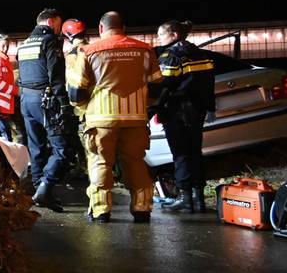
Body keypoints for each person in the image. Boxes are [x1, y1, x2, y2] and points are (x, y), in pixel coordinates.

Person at [71, 12, 162, 223]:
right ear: (124, 27)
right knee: (135, 162)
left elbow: (76, 92)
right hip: (136, 118)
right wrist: (143, 105)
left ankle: (101, 210)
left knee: (101, 162)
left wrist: (84, 108)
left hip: (101, 119)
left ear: (101, 28)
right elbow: (157, 86)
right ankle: (142, 208)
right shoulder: (145, 50)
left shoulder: (89, 51)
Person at [153, 20, 216, 213]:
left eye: (161, 35)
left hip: (176, 111)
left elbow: (165, 85)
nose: (158, 39)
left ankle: (185, 198)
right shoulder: (199, 53)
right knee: (195, 152)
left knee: (180, 154)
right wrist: (210, 107)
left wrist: (156, 108)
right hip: (197, 110)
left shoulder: (171, 55)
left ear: (173, 35)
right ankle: (199, 199)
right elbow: (209, 83)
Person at [16, 8, 73, 210]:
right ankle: (45, 186)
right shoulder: (50, 41)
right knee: (62, 147)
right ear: (50, 22)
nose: (59, 28)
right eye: (59, 24)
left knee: (36, 147)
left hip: (26, 100)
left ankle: (39, 190)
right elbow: (56, 74)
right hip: (46, 101)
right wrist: (64, 104)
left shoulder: (24, 45)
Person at [61, 18, 91, 180]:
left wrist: (74, 105)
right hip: (97, 103)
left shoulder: (73, 55)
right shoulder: (92, 49)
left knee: (86, 141)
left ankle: (89, 171)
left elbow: (75, 85)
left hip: (82, 106)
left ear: (68, 36)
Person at [0, 32, 20, 142]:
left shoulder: (4, 59)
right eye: (3, 46)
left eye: (7, 46)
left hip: (5, 103)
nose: (5, 49)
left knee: (10, 133)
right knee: (5, 134)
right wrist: (17, 91)